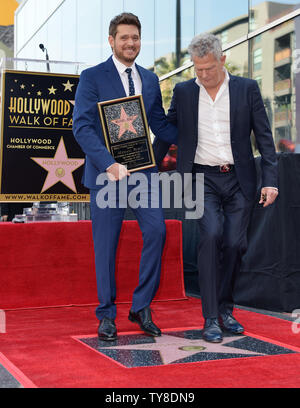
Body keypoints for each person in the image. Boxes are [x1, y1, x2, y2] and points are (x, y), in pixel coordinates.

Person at [153, 33, 278, 343]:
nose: (204, 75)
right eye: (198, 69)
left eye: (209, 68)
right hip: (201, 179)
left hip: (239, 179)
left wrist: (271, 180)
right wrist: (147, 165)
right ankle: (210, 317)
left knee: (235, 245)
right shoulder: (183, 92)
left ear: (223, 60)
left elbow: (263, 136)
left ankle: (225, 309)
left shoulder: (247, 89)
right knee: (210, 236)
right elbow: (168, 130)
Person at [73, 13, 176, 341]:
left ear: (140, 40)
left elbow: (159, 123)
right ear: (111, 41)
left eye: (135, 38)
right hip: (107, 176)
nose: (130, 43)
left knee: (157, 231)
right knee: (105, 246)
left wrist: (190, 127)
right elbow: (82, 126)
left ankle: (141, 306)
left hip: (142, 172)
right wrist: (107, 164)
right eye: (124, 38)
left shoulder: (150, 78)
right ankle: (106, 314)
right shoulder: (92, 77)